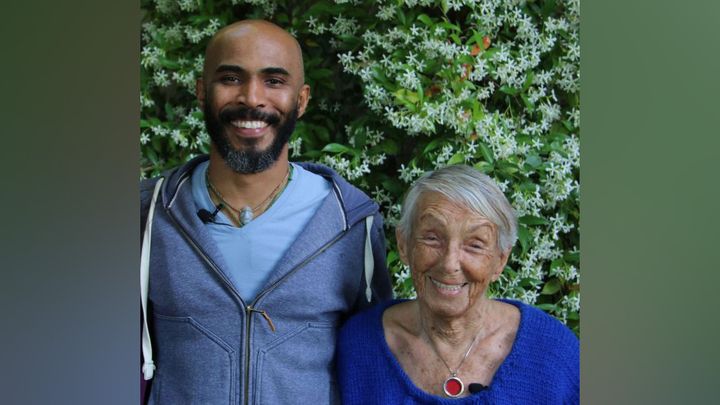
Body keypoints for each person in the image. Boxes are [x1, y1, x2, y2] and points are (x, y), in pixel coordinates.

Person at [140, 20, 392, 404]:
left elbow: (375, 365)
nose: (252, 98)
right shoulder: (149, 214)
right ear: (201, 93)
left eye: (274, 81)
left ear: (302, 100)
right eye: (230, 78)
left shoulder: (351, 224)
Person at [337, 165, 579, 404]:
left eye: (474, 244)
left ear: (500, 260)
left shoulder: (553, 354)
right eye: (432, 238)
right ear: (404, 245)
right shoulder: (358, 346)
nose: (449, 264)